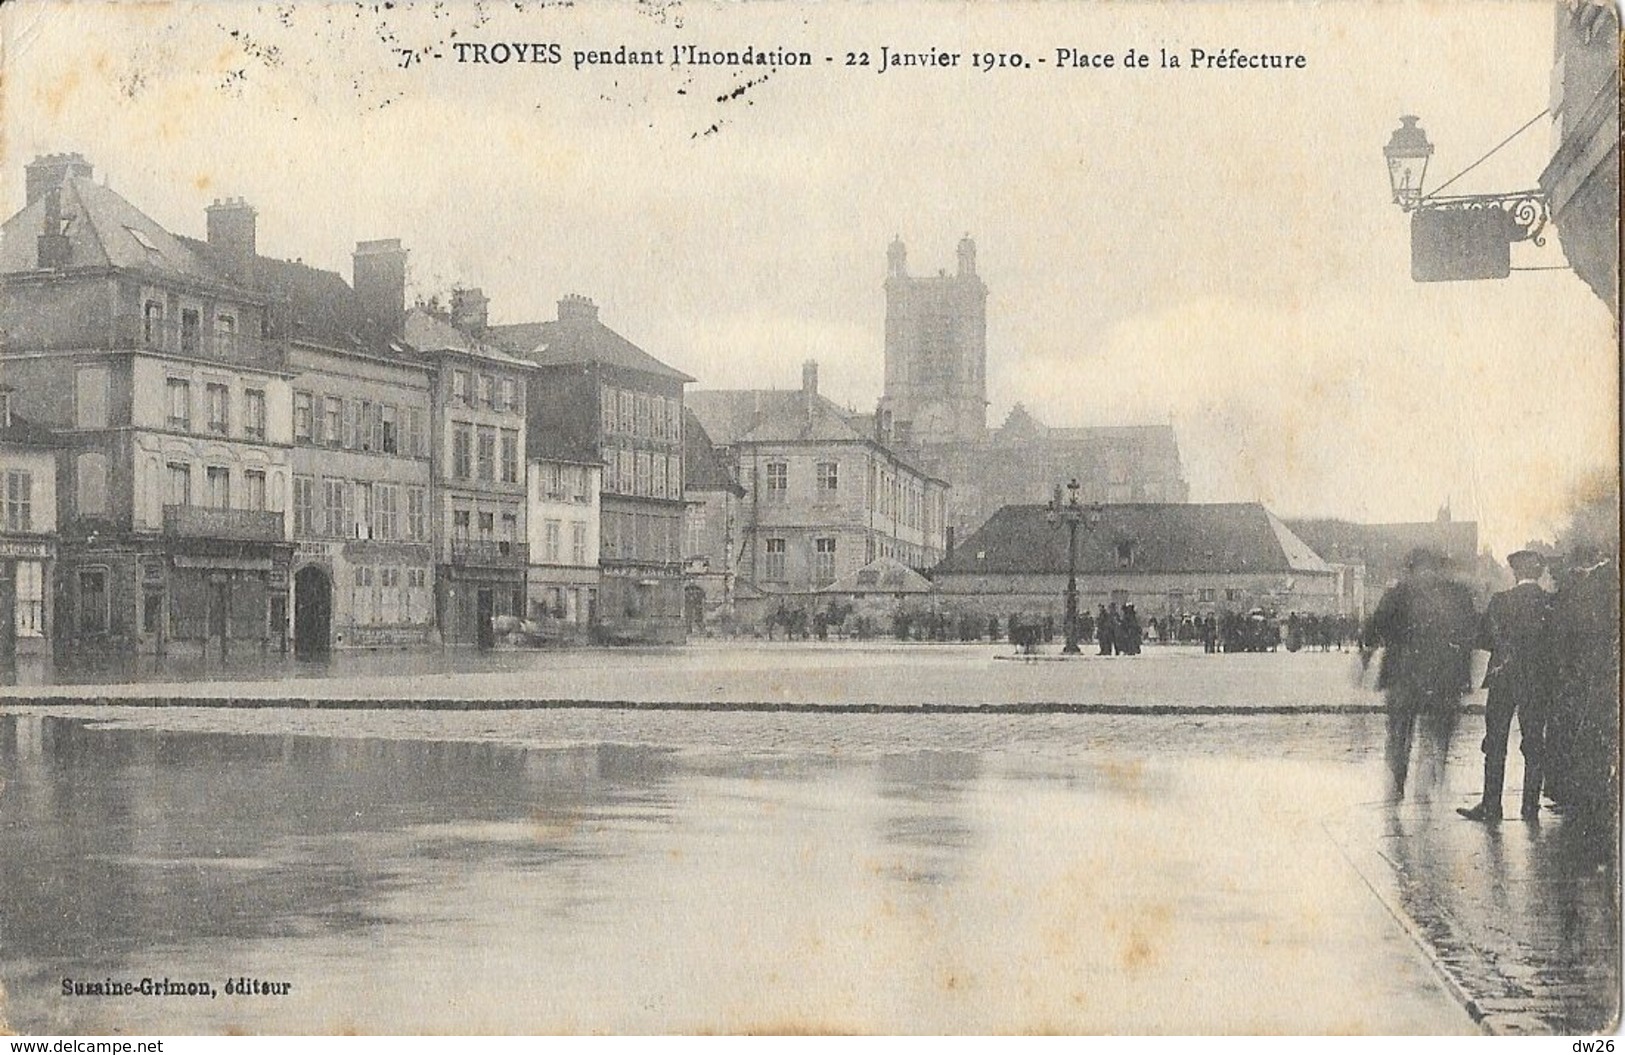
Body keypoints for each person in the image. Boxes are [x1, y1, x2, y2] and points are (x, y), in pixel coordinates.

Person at [1361, 548, 1479, 801]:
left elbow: (1373, 628)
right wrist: (1463, 675)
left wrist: (1365, 658)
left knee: (1399, 734)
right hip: (1442, 679)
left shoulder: (1398, 593)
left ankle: (1396, 785)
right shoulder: (1458, 595)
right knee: (1434, 733)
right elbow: (1470, 635)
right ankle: (1424, 784)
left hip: (1404, 676)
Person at [1459, 550, 1553, 822]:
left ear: (1515, 573)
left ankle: (1491, 806)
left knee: (1496, 742)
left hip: (1503, 679)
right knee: (1535, 742)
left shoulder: (1501, 601)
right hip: (1537, 682)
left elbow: (1484, 639)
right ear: (1539, 573)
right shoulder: (1549, 604)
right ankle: (1530, 807)